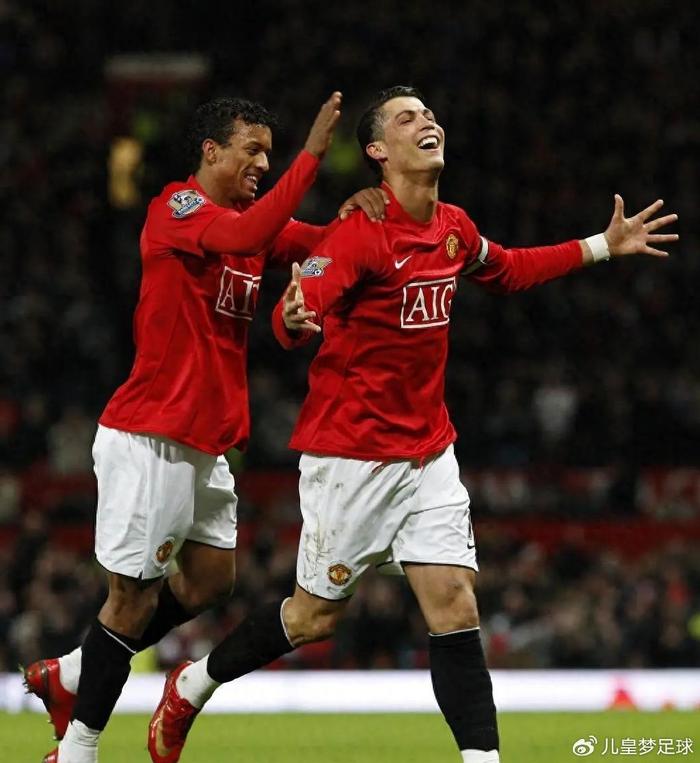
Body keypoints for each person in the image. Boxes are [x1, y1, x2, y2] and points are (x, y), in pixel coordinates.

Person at [145, 86, 679, 763]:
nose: (427, 122)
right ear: (377, 149)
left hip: (429, 451)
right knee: (312, 617)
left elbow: (508, 269)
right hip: (353, 456)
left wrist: (602, 244)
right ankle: (192, 684)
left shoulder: (452, 226)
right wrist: (294, 317)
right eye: (407, 117)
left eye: (429, 113)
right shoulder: (359, 234)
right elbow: (292, 312)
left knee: (455, 604)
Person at [24, 91, 389, 763]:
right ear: (211, 150)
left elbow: (313, 243)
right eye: (253, 150)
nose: (263, 164)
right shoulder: (177, 209)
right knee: (131, 602)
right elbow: (247, 237)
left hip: (207, 442)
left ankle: (74, 670)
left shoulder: (252, 223)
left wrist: (356, 215)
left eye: (271, 154)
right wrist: (311, 156)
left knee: (209, 582)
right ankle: (78, 749)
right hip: (152, 434)